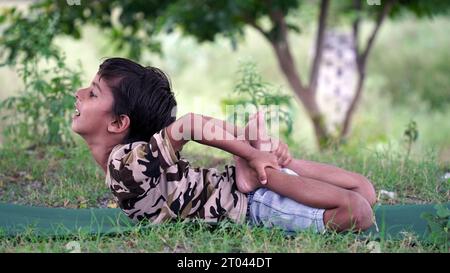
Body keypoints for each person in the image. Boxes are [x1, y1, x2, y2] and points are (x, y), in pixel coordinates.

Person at [72, 57, 376, 234]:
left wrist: (252, 151)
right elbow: (183, 126)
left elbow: (188, 124)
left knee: (359, 210)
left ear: (118, 123)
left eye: (93, 93)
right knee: (363, 196)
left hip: (254, 206)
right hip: (251, 197)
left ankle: (259, 169)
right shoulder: (133, 161)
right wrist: (252, 147)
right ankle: (264, 167)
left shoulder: (123, 165)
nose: (79, 92)